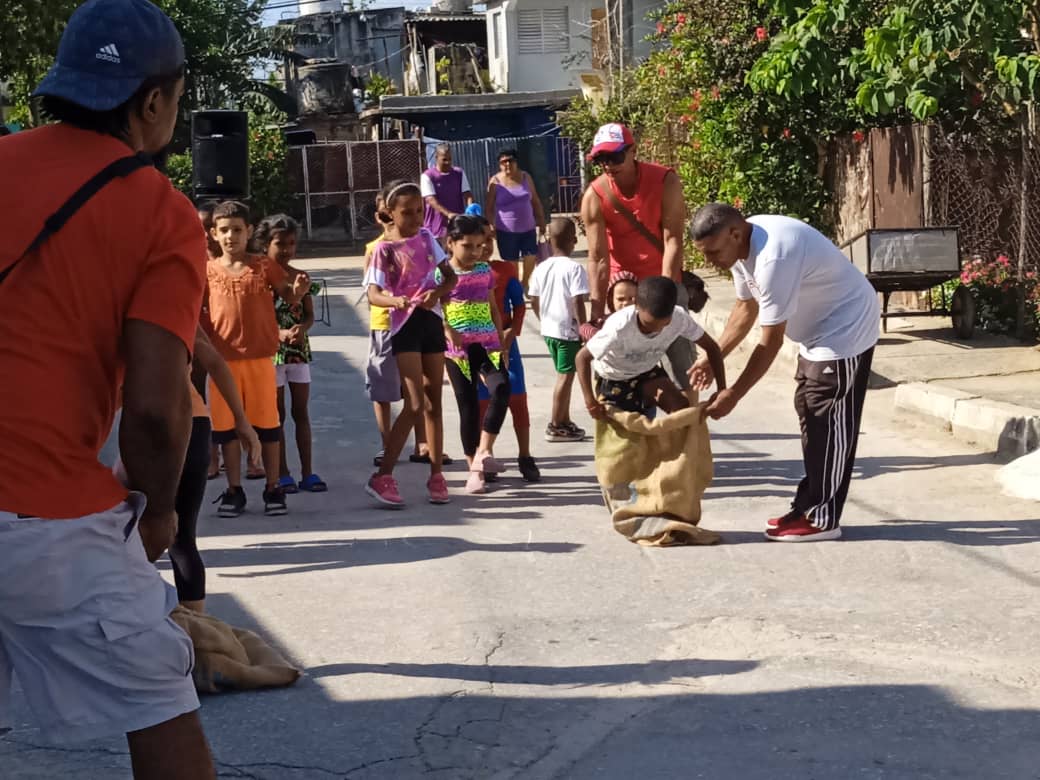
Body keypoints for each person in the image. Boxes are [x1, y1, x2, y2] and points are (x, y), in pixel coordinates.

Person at [0, 0, 216, 774]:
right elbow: (158, 413)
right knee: (160, 704)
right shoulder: (160, 212)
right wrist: (157, 510)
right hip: (45, 520)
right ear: (154, 101)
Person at [689, 203, 881, 543]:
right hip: (818, 333)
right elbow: (745, 307)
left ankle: (823, 517)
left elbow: (770, 342)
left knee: (827, 416)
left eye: (713, 252)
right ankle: (807, 506)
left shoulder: (772, 258)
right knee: (808, 407)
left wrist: (732, 393)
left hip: (845, 327)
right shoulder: (740, 248)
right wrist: (714, 354)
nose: (709, 261)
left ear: (734, 233)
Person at [204, 200, 311, 518]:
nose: (230, 236)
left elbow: (287, 297)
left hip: (262, 360)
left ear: (249, 231)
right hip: (221, 362)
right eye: (224, 230)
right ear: (213, 233)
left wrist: (299, 292)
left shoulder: (263, 265)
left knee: (268, 426)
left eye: (237, 230)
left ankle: (273, 487)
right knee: (226, 430)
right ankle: (234, 489)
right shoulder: (206, 270)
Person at [580, 123, 694, 389]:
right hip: (625, 294)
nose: (609, 165)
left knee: (681, 367)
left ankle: (689, 425)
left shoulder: (665, 181)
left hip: (664, 285)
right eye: (601, 159)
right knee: (624, 368)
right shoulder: (595, 195)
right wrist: (597, 311)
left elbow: (673, 239)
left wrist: (666, 295)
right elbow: (598, 257)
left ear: (633, 151)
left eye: (616, 156)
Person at [365, 180, 457, 507]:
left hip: (430, 321)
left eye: (420, 211)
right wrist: (395, 301)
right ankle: (383, 475)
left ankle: (436, 475)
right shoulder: (383, 249)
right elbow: (374, 293)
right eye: (407, 212)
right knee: (414, 402)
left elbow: (451, 277)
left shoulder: (427, 238)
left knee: (434, 400)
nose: (416, 218)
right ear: (389, 213)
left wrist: (438, 291)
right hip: (404, 326)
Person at [173, 327, 262, 614]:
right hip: (194, 422)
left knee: (136, 534)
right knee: (182, 538)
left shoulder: (119, 302)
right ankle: (196, 636)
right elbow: (215, 361)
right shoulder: (177, 303)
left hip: (152, 426)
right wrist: (242, 420)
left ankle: (145, 630)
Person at [576, 277, 726, 419]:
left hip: (647, 372)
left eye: (664, 324)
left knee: (682, 411)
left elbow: (712, 347)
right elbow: (582, 358)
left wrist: (721, 390)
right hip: (614, 378)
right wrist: (590, 401)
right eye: (647, 326)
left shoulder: (679, 318)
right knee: (627, 438)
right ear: (636, 307)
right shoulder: (619, 327)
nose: (656, 330)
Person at [439, 215, 512, 495]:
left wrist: (501, 340)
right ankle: (474, 470)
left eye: (479, 246)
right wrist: (448, 330)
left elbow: (492, 306)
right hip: (457, 351)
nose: (475, 252)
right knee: (468, 405)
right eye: (467, 246)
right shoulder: (441, 273)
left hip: (489, 346)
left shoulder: (484, 271)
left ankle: (483, 451)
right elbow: (433, 308)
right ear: (450, 243)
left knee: (501, 388)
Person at [255, 214, 327, 494]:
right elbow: (257, 318)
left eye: (291, 243)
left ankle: (307, 472)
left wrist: (302, 329)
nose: (286, 249)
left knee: (301, 412)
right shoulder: (259, 279)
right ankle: (282, 472)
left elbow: (309, 316)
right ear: (265, 244)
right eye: (279, 243)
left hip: (297, 354)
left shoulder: (301, 277)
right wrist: (278, 334)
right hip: (271, 355)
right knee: (277, 415)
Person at [474, 210, 541, 483]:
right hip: (477, 349)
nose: (487, 246)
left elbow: (519, 304)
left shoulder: (504, 270)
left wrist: (511, 333)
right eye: (481, 240)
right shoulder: (460, 275)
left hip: (505, 346)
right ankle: (485, 456)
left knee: (518, 398)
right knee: (483, 402)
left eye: (490, 239)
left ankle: (525, 455)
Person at [528, 217, 590, 442]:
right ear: (574, 240)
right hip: (567, 332)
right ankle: (555, 425)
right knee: (565, 377)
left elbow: (533, 298)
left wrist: (542, 318)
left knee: (567, 374)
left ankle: (564, 420)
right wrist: (584, 327)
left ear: (549, 242)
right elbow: (577, 301)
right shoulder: (574, 268)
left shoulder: (541, 268)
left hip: (550, 330)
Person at [486, 147, 546, 291]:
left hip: (528, 228)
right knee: (511, 262)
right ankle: (516, 288)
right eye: (503, 162)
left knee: (530, 256)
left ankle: (524, 282)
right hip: (506, 231)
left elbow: (536, 201)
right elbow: (489, 207)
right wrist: (490, 225)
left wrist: (542, 221)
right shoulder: (494, 182)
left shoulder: (526, 177)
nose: (507, 164)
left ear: (516, 162)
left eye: (510, 161)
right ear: (499, 164)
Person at [422, 143, 474, 246]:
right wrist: (449, 214)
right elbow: (431, 200)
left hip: (457, 226)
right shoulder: (428, 176)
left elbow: (467, 194)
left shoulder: (459, 173)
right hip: (436, 227)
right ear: (436, 158)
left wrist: (471, 208)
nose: (448, 162)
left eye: (450, 159)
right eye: (444, 159)